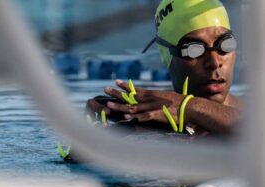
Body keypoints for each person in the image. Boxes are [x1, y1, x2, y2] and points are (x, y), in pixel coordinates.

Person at [86, 0, 243, 134]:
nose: (215, 62)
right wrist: (88, 139)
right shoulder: (148, 133)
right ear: (166, 56)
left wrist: (188, 107)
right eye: (194, 50)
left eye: (225, 45)